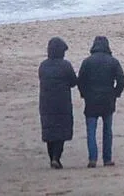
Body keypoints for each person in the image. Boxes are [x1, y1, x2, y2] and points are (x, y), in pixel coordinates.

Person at [77, 36, 124, 168]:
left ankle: (93, 159)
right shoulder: (113, 62)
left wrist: (84, 94)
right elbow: (122, 80)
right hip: (108, 99)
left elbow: (80, 80)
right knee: (107, 130)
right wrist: (116, 93)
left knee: (91, 131)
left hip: (91, 99)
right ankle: (107, 159)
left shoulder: (87, 62)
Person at [38, 37, 77, 169]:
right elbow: (73, 82)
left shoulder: (43, 66)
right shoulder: (65, 65)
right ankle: (56, 157)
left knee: (49, 131)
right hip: (62, 102)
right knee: (61, 131)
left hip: (46, 102)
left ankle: (52, 158)